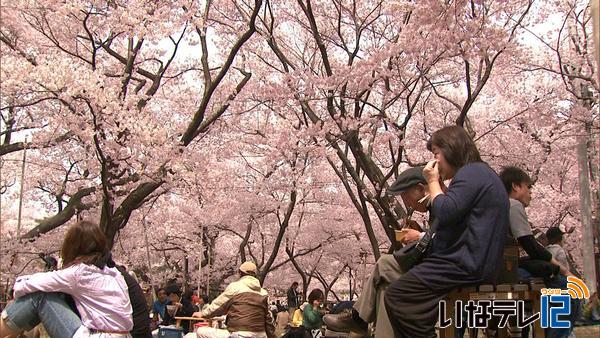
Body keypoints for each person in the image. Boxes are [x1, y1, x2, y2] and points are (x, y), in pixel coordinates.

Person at [385, 125, 509, 338]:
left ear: (451, 148)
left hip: (465, 263)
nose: (434, 161)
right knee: (407, 297)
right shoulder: (481, 173)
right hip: (476, 262)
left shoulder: (471, 173)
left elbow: (446, 211)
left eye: (436, 154)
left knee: (399, 295)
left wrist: (432, 182)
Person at [324, 166, 431, 337]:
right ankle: (363, 323)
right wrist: (421, 234)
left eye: (406, 195)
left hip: (441, 273)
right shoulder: (438, 205)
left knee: (384, 264)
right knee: (384, 288)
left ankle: (358, 319)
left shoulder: (445, 202)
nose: (406, 202)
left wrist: (420, 236)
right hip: (430, 269)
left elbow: (449, 239)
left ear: (420, 188)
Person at [0, 220, 133, 337]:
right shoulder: (114, 272)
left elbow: (28, 284)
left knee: (40, 296)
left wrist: (15, 293)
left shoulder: (80, 272)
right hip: (123, 335)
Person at [499, 166, 578, 338]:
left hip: (499, 269)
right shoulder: (512, 205)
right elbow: (529, 244)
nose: (531, 193)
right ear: (515, 186)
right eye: (528, 187)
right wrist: (563, 270)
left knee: (548, 298)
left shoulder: (499, 206)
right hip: (509, 272)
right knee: (570, 293)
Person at [192, 261, 276, 338]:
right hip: (260, 335)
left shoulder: (235, 287)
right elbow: (268, 318)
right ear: (255, 275)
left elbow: (218, 306)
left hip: (239, 334)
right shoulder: (264, 293)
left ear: (240, 273)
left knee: (201, 331)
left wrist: (203, 314)